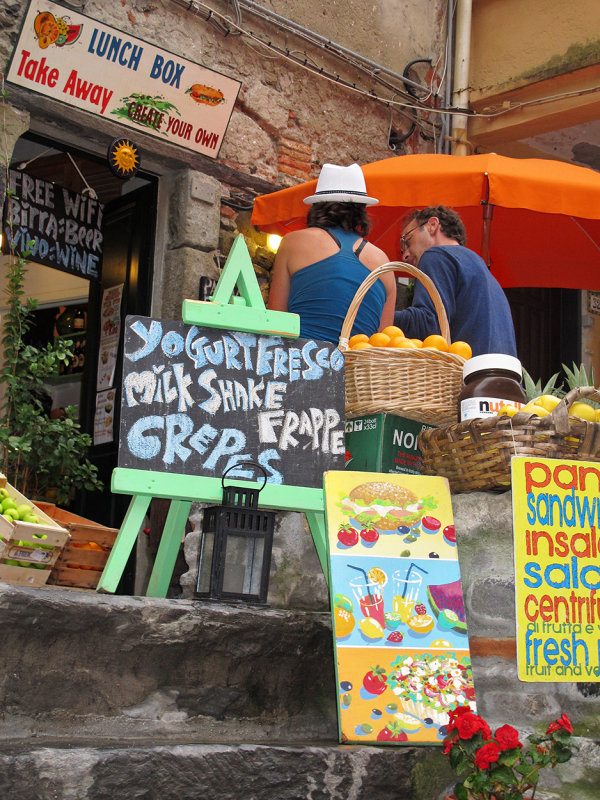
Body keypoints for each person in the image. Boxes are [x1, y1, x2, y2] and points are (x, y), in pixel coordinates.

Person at [267, 163, 396, 344]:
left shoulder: (293, 242)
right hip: (357, 370)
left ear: (317, 205)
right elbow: (384, 343)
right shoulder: (384, 263)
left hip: (301, 365)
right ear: (362, 209)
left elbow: (276, 321)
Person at [394, 205, 517, 357]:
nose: (405, 255)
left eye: (407, 241)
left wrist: (379, 316)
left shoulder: (436, 255)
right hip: (507, 374)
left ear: (432, 225)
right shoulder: (480, 267)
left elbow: (428, 325)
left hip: (469, 375)